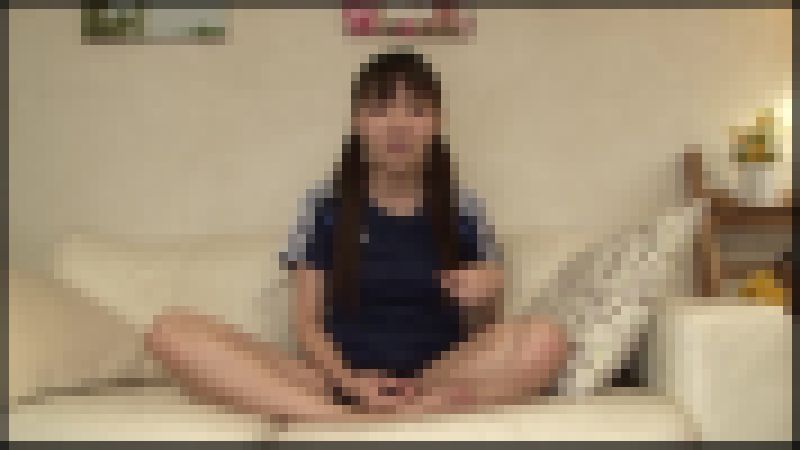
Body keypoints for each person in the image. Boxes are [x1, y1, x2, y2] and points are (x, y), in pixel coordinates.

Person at [144, 50, 566, 423]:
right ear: (358, 122)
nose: (398, 125)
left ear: (437, 124)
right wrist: (352, 383)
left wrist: (488, 293)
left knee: (546, 339)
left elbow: (482, 335)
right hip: (334, 381)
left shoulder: (466, 209)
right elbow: (306, 324)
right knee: (169, 331)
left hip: (434, 379)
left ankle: (403, 408)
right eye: (381, 109)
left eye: (416, 110)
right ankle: (345, 419)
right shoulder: (323, 205)